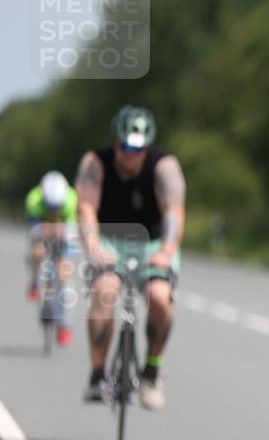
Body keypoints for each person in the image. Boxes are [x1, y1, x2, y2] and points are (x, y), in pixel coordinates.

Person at [75, 105, 186, 410]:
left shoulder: (164, 167)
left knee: (160, 297)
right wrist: (94, 245)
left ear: (146, 148)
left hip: (151, 243)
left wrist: (166, 251)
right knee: (104, 291)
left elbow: (174, 211)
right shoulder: (95, 163)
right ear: (116, 143)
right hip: (110, 239)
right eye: (124, 146)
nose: (130, 155)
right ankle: (97, 374)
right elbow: (85, 207)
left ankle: (151, 371)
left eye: (137, 148)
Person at [25, 171, 79, 346]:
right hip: (41, 230)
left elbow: (72, 230)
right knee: (37, 251)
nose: (54, 210)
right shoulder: (33, 200)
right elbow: (33, 230)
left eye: (57, 207)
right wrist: (44, 231)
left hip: (64, 233)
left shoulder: (71, 200)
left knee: (64, 275)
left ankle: (64, 325)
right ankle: (34, 281)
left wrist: (61, 232)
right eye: (50, 207)